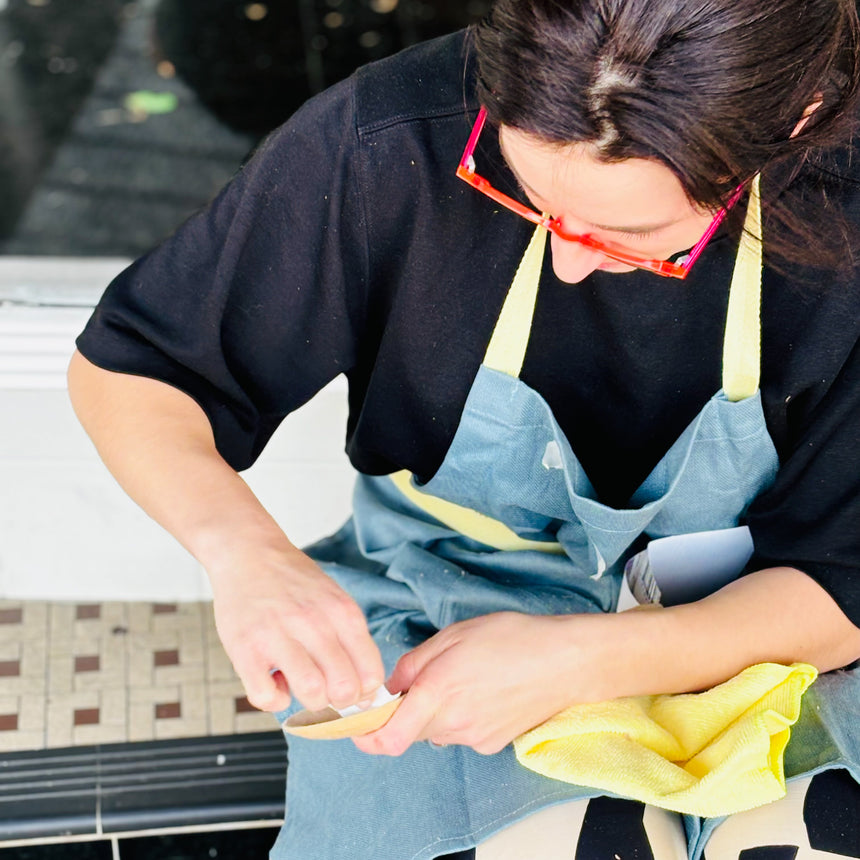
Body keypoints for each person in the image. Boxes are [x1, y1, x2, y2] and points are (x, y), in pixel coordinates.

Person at [68, 0, 860, 857]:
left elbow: (845, 581)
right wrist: (247, 556)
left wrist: (589, 658)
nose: (568, 261)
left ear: (797, 118)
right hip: (452, 591)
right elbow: (141, 368)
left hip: (779, 627)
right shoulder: (395, 137)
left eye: (633, 237)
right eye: (522, 195)